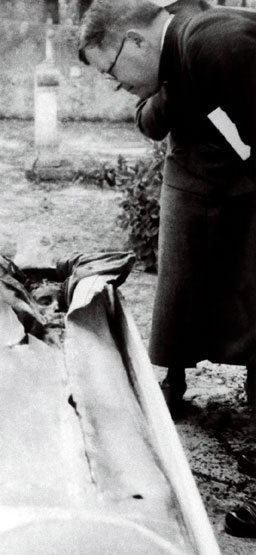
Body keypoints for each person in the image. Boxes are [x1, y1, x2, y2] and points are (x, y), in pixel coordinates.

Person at [78, 0, 256, 416]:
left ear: (136, 41)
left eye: (112, 72)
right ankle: (174, 375)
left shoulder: (214, 41)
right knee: (180, 277)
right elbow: (152, 121)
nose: (116, 85)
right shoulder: (173, 57)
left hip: (242, 163)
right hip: (198, 168)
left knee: (250, 274)